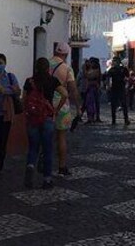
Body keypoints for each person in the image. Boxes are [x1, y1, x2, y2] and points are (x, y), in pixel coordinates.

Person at [23, 57, 67, 189]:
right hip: (47, 117)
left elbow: (24, 99)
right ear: (48, 68)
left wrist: (27, 111)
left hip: (33, 119)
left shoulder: (29, 81)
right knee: (47, 149)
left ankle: (30, 165)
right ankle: (47, 179)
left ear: (36, 67)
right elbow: (65, 94)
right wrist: (56, 109)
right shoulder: (52, 80)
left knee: (33, 147)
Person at [50, 42, 79, 176]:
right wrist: (78, 108)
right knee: (61, 137)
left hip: (46, 104)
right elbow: (73, 90)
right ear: (66, 54)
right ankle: (62, 167)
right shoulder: (67, 69)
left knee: (46, 136)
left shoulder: (46, 65)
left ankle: (46, 166)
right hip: (62, 106)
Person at [104, 57, 130, 125]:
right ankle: (113, 120)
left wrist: (126, 83)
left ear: (118, 62)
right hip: (114, 88)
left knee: (124, 104)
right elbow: (107, 77)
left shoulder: (123, 69)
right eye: (113, 61)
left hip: (121, 88)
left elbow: (127, 77)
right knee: (113, 105)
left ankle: (126, 119)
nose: (114, 62)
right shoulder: (112, 69)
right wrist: (108, 85)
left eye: (115, 61)